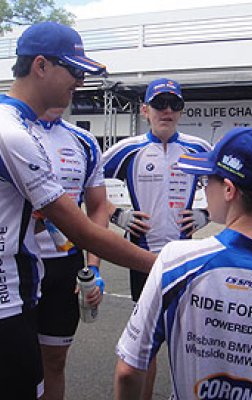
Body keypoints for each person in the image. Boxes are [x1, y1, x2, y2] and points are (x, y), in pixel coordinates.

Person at [113, 127, 252, 400]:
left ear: (229, 190)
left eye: (207, 179)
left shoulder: (176, 261)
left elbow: (129, 370)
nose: (203, 187)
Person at [0, 21, 155, 399]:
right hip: (8, 295)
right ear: (40, 66)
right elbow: (80, 228)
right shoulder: (13, 132)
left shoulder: (20, 127)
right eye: (74, 69)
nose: (80, 81)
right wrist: (165, 264)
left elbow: (92, 210)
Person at [103, 78, 211, 399]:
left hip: (185, 260)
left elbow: (232, 188)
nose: (167, 110)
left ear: (181, 110)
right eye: (159, 103)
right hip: (142, 260)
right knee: (144, 348)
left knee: (190, 340)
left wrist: (207, 215)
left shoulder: (198, 148)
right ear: (144, 109)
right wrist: (118, 215)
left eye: (174, 104)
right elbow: (86, 182)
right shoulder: (128, 149)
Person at [34, 107, 107, 400]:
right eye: (70, 73)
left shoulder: (84, 141)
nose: (74, 84)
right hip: (18, 263)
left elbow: (98, 206)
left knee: (55, 361)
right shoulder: (11, 130)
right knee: (16, 363)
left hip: (66, 266)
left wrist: (94, 268)